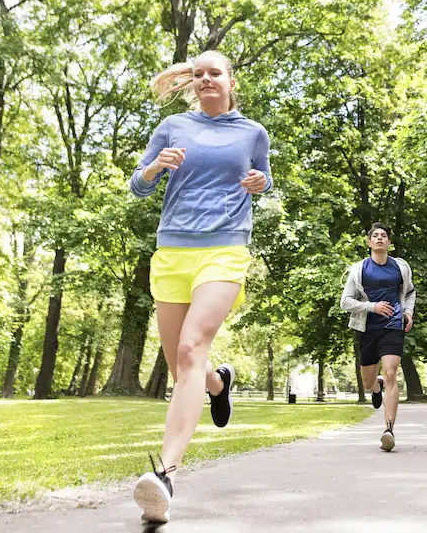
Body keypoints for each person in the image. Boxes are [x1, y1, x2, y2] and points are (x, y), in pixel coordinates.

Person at [128, 50, 273, 523]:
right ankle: (218, 383)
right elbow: (139, 185)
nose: (207, 79)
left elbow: (263, 177)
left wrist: (259, 182)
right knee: (182, 368)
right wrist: (154, 168)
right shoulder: (172, 127)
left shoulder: (252, 132)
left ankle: (165, 477)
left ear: (231, 81)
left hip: (225, 249)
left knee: (192, 349)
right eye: (199, 74)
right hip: (172, 251)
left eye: (215, 73)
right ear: (193, 84)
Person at [340, 222, 416, 452]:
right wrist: (372, 306)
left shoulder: (400, 268)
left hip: (393, 327)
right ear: (369, 242)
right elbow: (345, 302)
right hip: (367, 329)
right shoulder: (359, 270)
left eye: (384, 235)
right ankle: (376, 388)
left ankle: (389, 430)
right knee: (367, 381)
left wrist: (408, 312)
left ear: (389, 242)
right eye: (376, 236)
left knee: (392, 373)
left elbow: (410, 292)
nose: (380, 238)